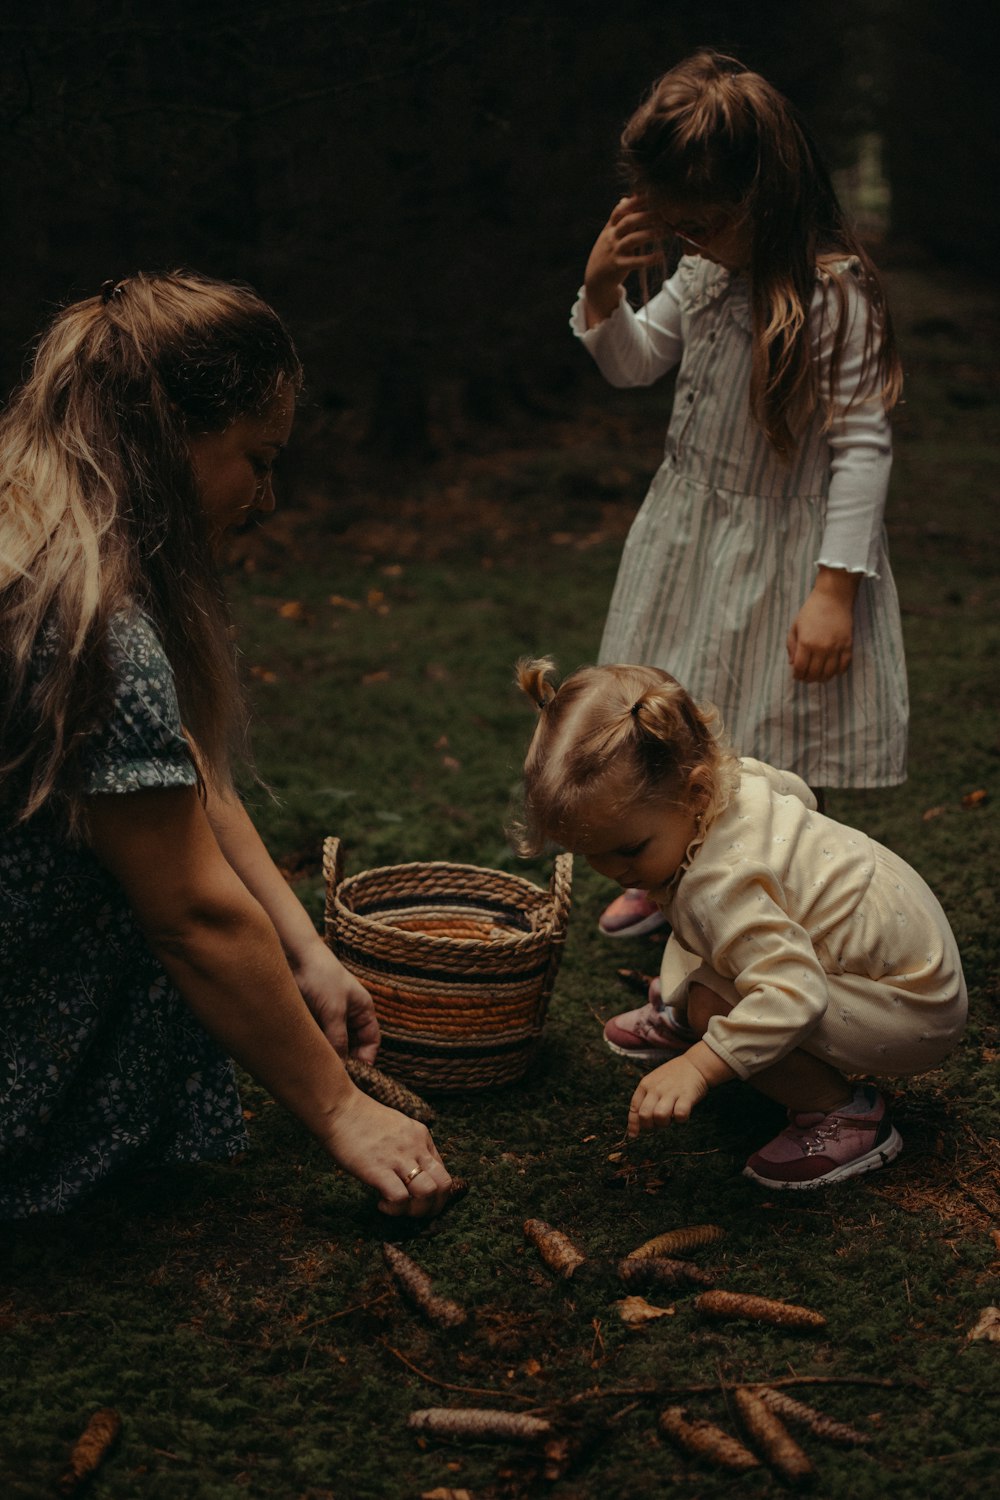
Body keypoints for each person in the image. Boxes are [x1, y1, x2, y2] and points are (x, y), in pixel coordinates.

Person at [0, 270, 453, 1220]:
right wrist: (341, 1112)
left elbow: (178, 774)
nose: (267, 494)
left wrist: (306, 953)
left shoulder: (41, 523)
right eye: (258, 456)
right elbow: (192, 914)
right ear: (173, 434)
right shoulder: (93, 627)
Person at [570, 50, 907, 948]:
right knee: (671, 726)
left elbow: (863, 447)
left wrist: (836, 589)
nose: (687, 242)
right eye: (671, 225)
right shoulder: (708, 273)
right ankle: (669, 871)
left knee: (769, 738)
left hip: (782, 556)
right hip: (686, 535)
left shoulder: (835, 297)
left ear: (766, 192)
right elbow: (636, 362)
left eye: (702, 222)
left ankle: (768, 897)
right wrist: (606, 287)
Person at [513, 658, 966, 1189]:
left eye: (628, 850)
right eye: (590, 854)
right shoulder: (735, 775)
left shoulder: (719, 887)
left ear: (696, 793)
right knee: (693, 910)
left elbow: (793, 994)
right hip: (907, 952)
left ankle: (844, 1114)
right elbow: (800, 794)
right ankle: (683, 1008)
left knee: (714, 1002)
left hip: (913, 1009)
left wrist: (701, 1065)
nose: (613, 872)